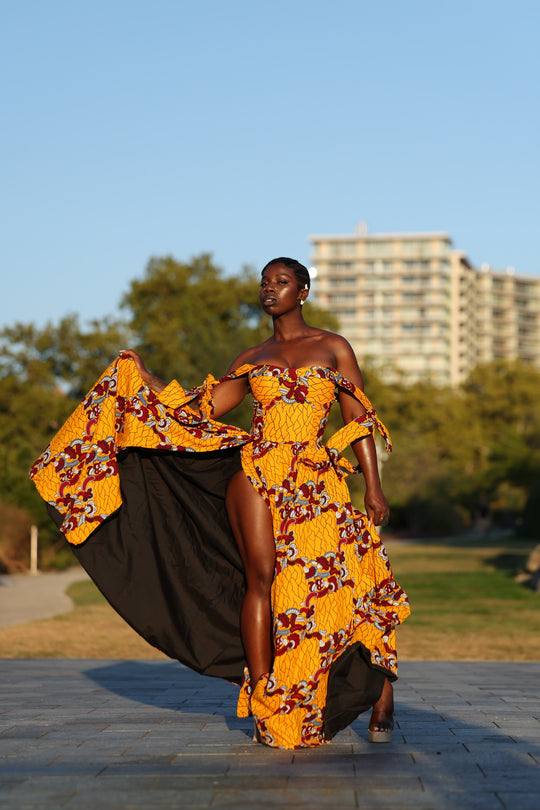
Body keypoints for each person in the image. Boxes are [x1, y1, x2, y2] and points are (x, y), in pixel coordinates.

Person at [30, 257, 409, 749]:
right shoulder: (252, 357)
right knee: (261, 581)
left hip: (317, 479)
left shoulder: (332, 347)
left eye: (282, 283)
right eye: (264, 283)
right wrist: (145, 381)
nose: (270, 290)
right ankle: (266, 700)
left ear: (303, 292)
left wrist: (373, 486)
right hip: (257, 472)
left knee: (347, 583)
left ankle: (380, 688)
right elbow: (202, 409)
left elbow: (357, 416)